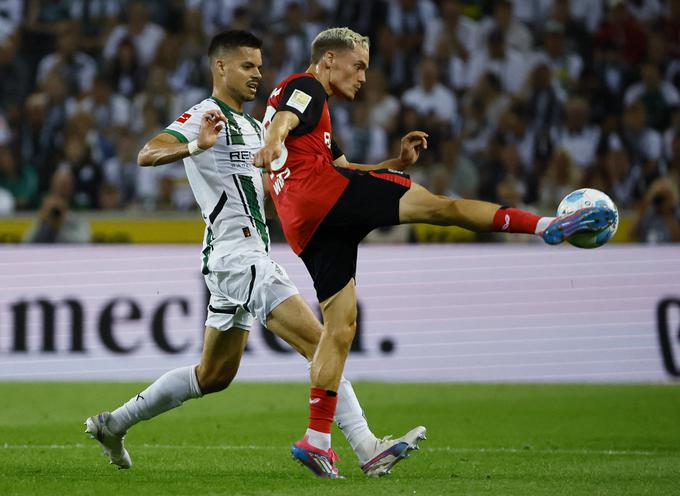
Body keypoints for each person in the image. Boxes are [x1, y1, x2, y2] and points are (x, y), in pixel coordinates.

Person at [253, 27, 616, 478]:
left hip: (303, 220)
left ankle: (318, 439)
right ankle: (545, 226)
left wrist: (393, 166)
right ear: (328, 60)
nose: (363, 76)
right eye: (358, 65)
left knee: (340, 326)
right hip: (321, 196)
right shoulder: (305, 87)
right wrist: (270, 143)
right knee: (443, 208)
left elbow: (343, 167)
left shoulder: (316, 118)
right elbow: (289, 117)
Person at [84, 30, 424, 479]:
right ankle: (366, 447)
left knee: (214, 375)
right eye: (247, 66)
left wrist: (392, 167)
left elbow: (337, 170)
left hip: (243, 256)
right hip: (235, 255)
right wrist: (195, 147)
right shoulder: (206, 116)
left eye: (260, 67)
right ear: (220, 67)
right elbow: (149, 153)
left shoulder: (255, 126)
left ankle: (113, 424)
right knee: (319, 341)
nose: (257, 75)